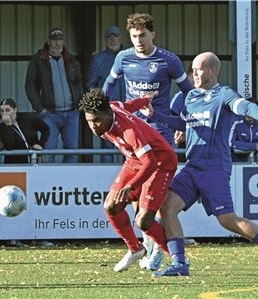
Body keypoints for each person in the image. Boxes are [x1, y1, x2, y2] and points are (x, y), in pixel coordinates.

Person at [139, 52, 258, 277]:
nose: (193, 74)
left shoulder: (224, 94)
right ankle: (180, 263)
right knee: (166, 207)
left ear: (212, 71)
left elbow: (243, 106)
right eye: (192, 69)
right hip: (193, 167)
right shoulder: (191, 96)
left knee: (228, 221)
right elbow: (185, 124)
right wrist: (156, 115)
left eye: (198, 69)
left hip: (215, 169)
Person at [103, 12, 194, 270]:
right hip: (134, 136)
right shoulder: (123, 58)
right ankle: (150, 247)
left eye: (143, 35)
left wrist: (183, 123)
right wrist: (106, 111)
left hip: (160, 135)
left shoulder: (169, 61)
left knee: (150, 202)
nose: (138, 40)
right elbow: (108, 87)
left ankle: (157, 251)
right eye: (133, 36)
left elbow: (190, 94)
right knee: (134, 200)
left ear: (153, 34)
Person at [78, 88, 177, 272]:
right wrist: (144, 100)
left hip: (160, 162)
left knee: (144, 221)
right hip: (135, 161)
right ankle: (135, 249)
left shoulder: (128, 130)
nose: (93, 126)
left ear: (108, 114)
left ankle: (178, 261)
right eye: (89, 121)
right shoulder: (112, 107)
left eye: (97, 120)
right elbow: (128, 105)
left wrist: (132, 185)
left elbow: (150, 162)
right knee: (111, 206)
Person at [25, 27, 83, 163]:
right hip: (49, 114)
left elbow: (79, 83)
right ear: (48, 41)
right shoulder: (38, 60)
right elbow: (30, 86)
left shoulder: (71, 59)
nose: (57, 43)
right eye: (54, 40)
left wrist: (79, 105)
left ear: (63, 41)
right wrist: (40, 109)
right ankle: (48, 183)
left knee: (72, 151)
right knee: (48, 152)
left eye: (60, 40)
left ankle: (70, 181)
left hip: (71, 113)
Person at [87, 25, 126, 163]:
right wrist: (100, 106)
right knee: (108, 146)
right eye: (110, 37)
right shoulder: (98, 59)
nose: (113, 39)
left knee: (129, 145)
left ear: (120, 38)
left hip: (128, 109)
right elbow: (90, 85)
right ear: (105, 40)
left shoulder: (129, 56)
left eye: (115, 36)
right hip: (108, 111)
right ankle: (108, 183)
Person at [0, 98, 50, 164]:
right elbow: (9, 146)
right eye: (2, 111)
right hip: (14, 164)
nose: (4, 114)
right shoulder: (0, 128)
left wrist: (41, 144)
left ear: (15, 110)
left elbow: (46, 129)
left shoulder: (29, 118)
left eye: (7, 110)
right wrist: (8, 126)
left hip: (33, 161)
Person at [230, 97, 258, 162]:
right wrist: (254, 146)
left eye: (252, 111)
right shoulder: (236, 122)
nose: (249, 114)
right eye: (247, 110)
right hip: (231, 161)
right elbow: (231, 142)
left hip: (250, 161)